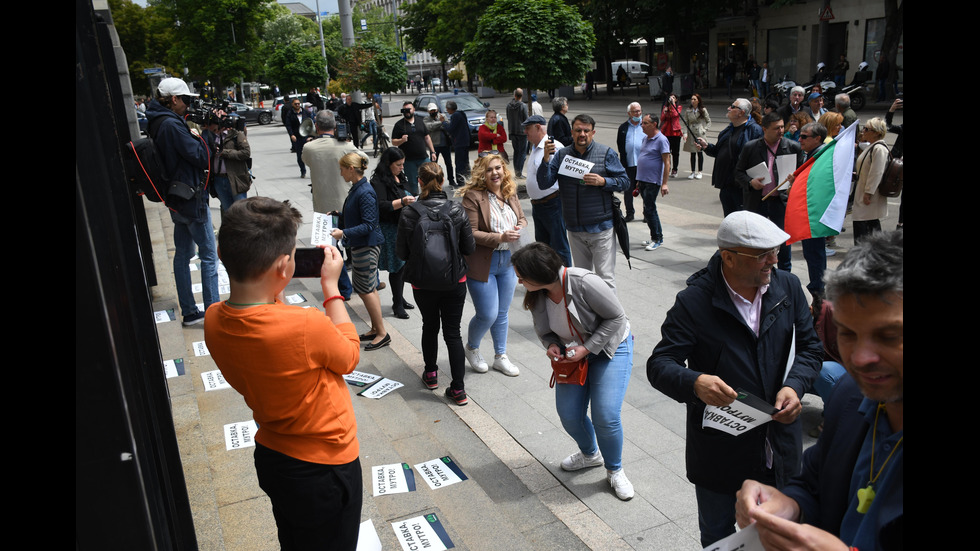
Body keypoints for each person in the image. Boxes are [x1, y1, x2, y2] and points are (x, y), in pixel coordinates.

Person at [647, 211, 822, 548]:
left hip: (780, 447)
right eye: (762, 255)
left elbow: (811, 349)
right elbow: (660, 364)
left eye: (774, 250)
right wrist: (695, 382)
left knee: (780, 536)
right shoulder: (694, 302)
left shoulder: (788, 287)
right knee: (717, 535)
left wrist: (794, 385)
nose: (773, 260)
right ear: (728, 257)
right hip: (720, 454)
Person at [204, 197, 362, 551]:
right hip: (325, 466)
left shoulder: (213, 319)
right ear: (281, 265)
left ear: (221, 252)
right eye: (292, 255)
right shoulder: (304, 324)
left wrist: (277, 277)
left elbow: (260, 315)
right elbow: (349, 355)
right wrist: (332, 290)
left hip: (275, 456)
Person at [736, 230, 903, 551]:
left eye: (889, 335)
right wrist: (788, 503)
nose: (859, 358)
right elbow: (814, 484)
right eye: (848, 333)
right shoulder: (849, 396)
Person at [512, 242, 635, 501]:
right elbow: (545, 332)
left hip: (611, 348)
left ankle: (615, 470)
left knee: (606, 415)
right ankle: (590, 454)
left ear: (539, 274)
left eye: (522, 276)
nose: (519, 281)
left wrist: (587, 348)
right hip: (573, 355)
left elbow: (617, 318)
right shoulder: (537, 295)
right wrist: (552, 345)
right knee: (569, 414)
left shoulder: (583, 282)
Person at [397, 162, 476, 405]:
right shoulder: (456, 210)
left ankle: (431, 374)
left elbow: (401, 252)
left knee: (429, 326)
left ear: (419, 181)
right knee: (453, 333)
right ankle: (458, 389)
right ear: (442, 181)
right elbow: (469, 248)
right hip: (455, 281)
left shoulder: (409, 212)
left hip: (423, 283)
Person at [146, 77, 219, 326]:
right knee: (209, 256)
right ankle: (212, 313)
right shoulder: (171, 125)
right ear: (174, 99)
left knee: (183, 254)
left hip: (175, 196)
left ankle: (189, 312)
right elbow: (200, 156)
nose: (188, 105)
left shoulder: (156, 121)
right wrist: (205, 134)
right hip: (191, 197)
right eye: (186, 100)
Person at [538, 114, 631, 290]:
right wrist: (545, 159)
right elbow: (544, 183)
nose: (582, 134)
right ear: (572, 133)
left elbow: (625, 182)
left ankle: (612, 317)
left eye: (586, 131)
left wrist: (603, 182)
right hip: (575, 229)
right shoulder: (562, 155)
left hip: (600, 228)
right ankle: (587, 316)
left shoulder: (606, 153)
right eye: (578, 130)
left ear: (593, 132)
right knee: (581, 279)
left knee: (605, 279)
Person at [457, 155, 527, 377]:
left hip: (508, 261)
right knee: (487, 314)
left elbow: (523, 219)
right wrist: (500, 236)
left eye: (498, 168)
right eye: (489, 170)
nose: (495, 173)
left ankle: (500, 356)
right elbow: (472, 233)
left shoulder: (510, 192)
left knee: (503, 313)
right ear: (482, 174)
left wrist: (518, 228)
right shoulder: (473, 196)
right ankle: (472, 348)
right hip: (483, 262)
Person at [331, 152, 389, 350]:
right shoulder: (359, 188)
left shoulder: (364, 191)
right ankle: (375, 328)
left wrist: (343, 232)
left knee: (365, 289)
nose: (340, 173)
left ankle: (381, 333)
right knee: (368, 288)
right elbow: (359, 216)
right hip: (362, 244)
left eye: (342, 169)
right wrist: (339, 216)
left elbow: (369, 225)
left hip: (366, 245)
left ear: (351, 169)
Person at [302, 110, 360, 301]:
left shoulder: (309, 147)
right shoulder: (346, 145)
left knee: (331, 249)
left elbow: (306, 161)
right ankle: (369, 283)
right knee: (359, 244)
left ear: (316, 126)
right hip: (348, 202)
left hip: (324, 207)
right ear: (335, 126)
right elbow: (364, 161)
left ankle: (344, 289)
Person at [735, 111, 802, 271]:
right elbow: (738, 172)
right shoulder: (751, 147)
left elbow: (802, 175)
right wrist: (750, 182)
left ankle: (785, 274)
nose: (780, 131)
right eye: (776, 128)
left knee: (783, 242)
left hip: (781, 202)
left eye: (781, 127)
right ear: (764, 129)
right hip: (758, 202)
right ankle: (758, 270)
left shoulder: (792, 147)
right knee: (758, 240)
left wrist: (795, 181)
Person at [697, 98, 763, 216]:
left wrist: (749, 181)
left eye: (732, 107)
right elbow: (718, 151)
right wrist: (707, 147)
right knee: (729, 220)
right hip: (726, 184)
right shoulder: (728, 129)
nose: (729, 108)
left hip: (742, 187)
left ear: (741, 112)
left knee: (742, 221)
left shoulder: (754, 130)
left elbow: (758, 159)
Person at [371, 147, 416, 320]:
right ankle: (397, 303)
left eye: (403, 164)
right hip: (390, 228)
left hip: (403, 226)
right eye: (398, 165)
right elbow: (381, 205)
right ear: (388, 164)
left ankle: (400, 297)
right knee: (396, 267)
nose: (401, 167)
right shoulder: (378, 181)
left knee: (403, 265)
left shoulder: (400, 176)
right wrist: (402, 201)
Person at [524, 115, 573, 266]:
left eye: (527, 129)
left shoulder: (554, 147)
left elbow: (563, 175)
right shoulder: (535, 147)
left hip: (552, 204)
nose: (525, 132)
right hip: (538, 205)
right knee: (543, 247)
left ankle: (565, 281)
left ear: (538, 127)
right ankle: (548, 280)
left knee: (559, 247)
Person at [636, 113, 671, 251]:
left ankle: (657, 238)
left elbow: (667, 163)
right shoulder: (646, 138)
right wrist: (638, 180)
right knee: (647, 209)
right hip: (643, 179)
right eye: (642, 123)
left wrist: (664, 183)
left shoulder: (661, 140)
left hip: (653, 181)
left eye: (645, 123)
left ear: (654, 124)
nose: (642, 126)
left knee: (650, 209)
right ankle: (654, 236)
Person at [853, 118, 891, 243]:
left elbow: (877, 172)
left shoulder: (879, 148)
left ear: (876, 132)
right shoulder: (873, 147)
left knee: (866, 225)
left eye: (867, 129)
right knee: (869, 224)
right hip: (863, 190)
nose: (863, 131)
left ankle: (869, 254)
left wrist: (868, 193)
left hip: (869, 194)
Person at [208, 114, 251, 212]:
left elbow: (246, 153)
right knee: (227, 211)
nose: (214, 131)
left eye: (215, 129)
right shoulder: (210, 137)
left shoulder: (236, 134)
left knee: (241, 212)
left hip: (235, 178)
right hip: (218, 179)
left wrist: (224, 152)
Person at [392, 102, 437, 194]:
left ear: (414, 110)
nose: (407, 112)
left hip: (423, 157)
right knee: (412, 183)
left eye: (409, 109)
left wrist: (433, 152)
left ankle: (429, 197)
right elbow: (393, 141)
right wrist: (401, 140)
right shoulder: (399, 125)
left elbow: (427, 137)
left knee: (429, 178)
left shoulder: (420, 121)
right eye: (405, 110)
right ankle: (415, 201)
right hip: (409, 160)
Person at [616, 102, 644, 222]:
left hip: (643, 165)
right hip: (628, 164)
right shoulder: (623, 127)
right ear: (629, 113)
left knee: (644, 190)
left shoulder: (646, 125)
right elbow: (620, 145)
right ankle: (629, 213)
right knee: (628, 190)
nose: (638, 113)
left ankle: (647, 214)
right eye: (635, 111)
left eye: (639, 111)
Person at [422, 103, 454, 187]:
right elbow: (429, 127)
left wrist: (441, 123)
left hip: (445, 144)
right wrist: (441, 122)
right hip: (434, 145)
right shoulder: (426, 119)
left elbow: (447, 125)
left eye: (434, 110)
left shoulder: (442, 115)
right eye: (431, 110)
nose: (433, 112)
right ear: (428, 111)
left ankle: (451, 180)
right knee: (433, 165)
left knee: (449, 163)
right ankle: (433, 181)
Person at [681, 94, 710, 180]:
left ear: (698, 100)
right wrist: (685, 133)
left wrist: (704, 129)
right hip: (691, 132)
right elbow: (685, 122)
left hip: (699, 132)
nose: (692, 101)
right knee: (692, 153)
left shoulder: (703, 110)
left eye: (694, 99)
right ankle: (692, 171)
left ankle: (700, 171)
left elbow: (708, 121)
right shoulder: (688, 111)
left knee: (699, 152)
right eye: (691, 99)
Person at [284, 97, 313, 178]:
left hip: (306, 136)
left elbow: (311, 124)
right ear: (292, 104)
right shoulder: (290, 114)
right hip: (297, 137)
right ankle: (303, 171)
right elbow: (288, 125)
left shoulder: (305, 112)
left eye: (298, 104)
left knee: (310, 154)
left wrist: (310, 136)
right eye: (295, 104)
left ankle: (313, 170)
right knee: (300, 155)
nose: (297, 105)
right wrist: (291, 135)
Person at [445, 100, 471, 186]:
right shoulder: (461, 114)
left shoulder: (455, 115)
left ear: (449, 108)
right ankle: (466, 179)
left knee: (459, 162)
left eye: (447, 108)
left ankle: (461, 181)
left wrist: (443, 122)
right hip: (465, 141)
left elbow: (451, 129)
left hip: (460, 142)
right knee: (465, 161)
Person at [506, 88, 529, 178]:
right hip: (522, 132)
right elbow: (526, 120)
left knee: (516, 152)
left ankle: (516, 171)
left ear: (514, 95)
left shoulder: (508, 106)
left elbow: (508, 117)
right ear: (521, 95)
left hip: (512, 131)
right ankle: (519, 172)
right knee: (522, 153)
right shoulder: (523, 106)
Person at [660, 94, 682, 178]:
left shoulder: (678, 107)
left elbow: (675, 115)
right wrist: (665, 111)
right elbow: (662, 118)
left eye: (673, 97)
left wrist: (672, 104)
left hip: (675, 132)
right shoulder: (665, 107)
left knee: (675, 153)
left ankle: (675, 169)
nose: (671, 98)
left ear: (676, 99)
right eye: (670, 97)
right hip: (666, 132)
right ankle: (667, 168)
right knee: (666, 152)